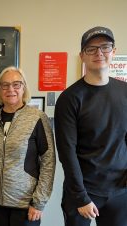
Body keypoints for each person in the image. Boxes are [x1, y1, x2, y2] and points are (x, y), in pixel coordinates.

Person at [54, 26, 127, 226]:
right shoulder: (69, 98)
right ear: (82, 56)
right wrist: (80, 196)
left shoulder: (124, 92)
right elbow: (67, 152)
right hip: (83, 192)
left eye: (105, 47)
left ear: (113, 51)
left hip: (120, 191)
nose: (99, 53)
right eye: (91, 49)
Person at [0, 66, 56, 226]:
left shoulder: (37, 118)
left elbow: (49, 161)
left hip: (25, 203)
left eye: (16, 84)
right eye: (4, 85)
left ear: (23, 87)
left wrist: (39, 201)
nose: (10, 89)